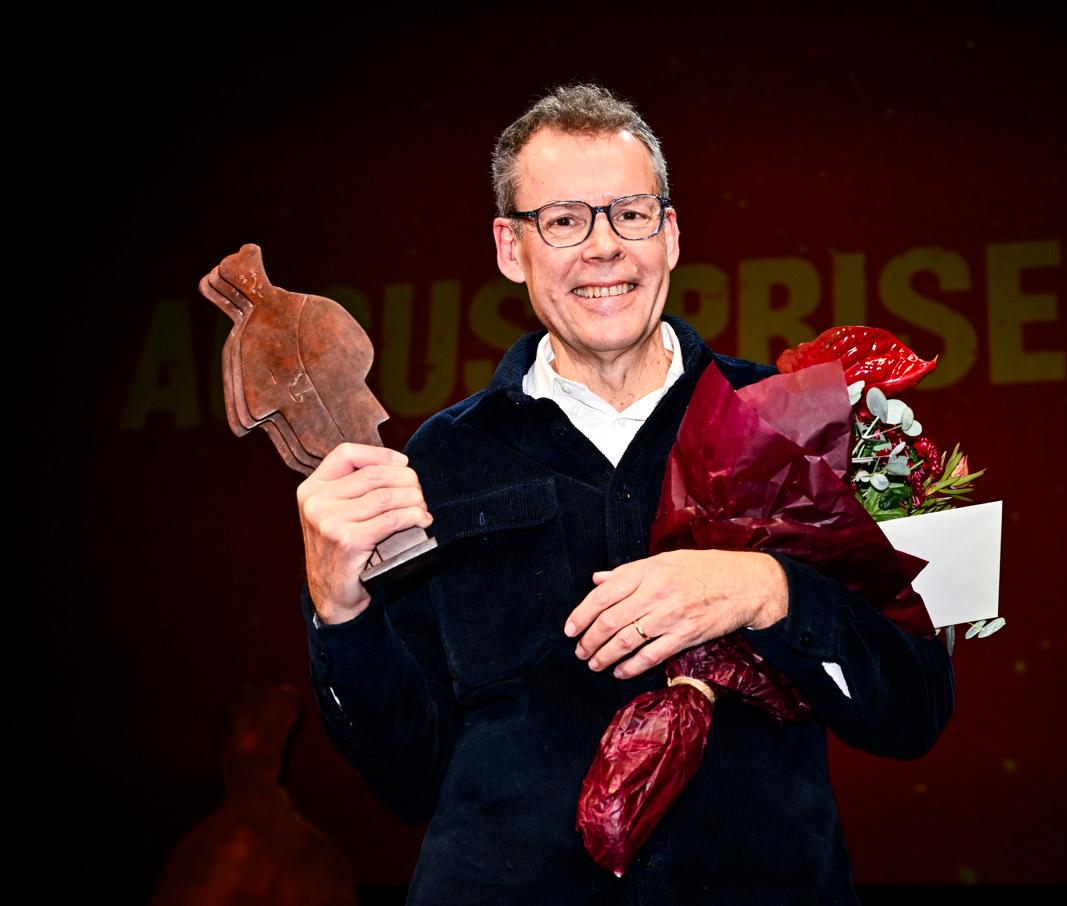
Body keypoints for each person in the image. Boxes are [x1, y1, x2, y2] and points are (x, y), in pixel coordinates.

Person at [297, 84, 954, 906]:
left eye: (631, 214)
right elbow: (405, 776)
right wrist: (338, 613)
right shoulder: (442, 459)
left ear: (670, 234)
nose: (604, 247)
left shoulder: (797, 417)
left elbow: (915, 707)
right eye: (564, 220)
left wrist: (770, 591)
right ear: (510, 248)